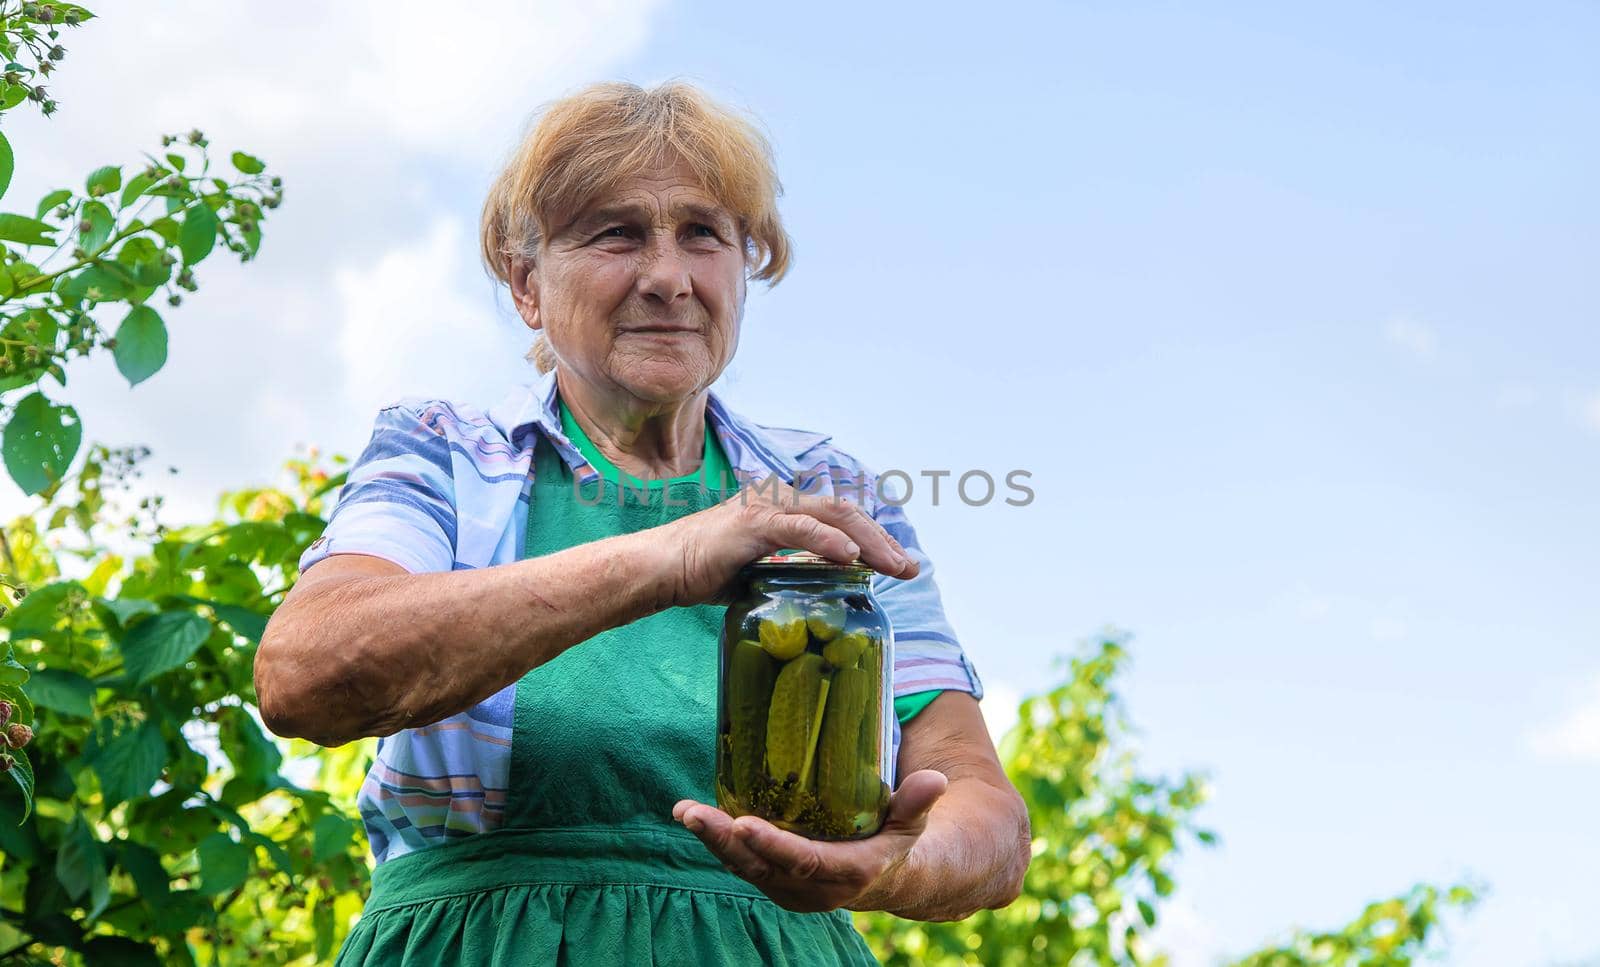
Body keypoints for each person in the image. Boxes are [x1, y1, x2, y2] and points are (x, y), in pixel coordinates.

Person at [256, 80, 1029, 965]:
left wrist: (882, 868)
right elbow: (305, 673)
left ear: (745, 267)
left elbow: (986, 814)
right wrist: (671, 554)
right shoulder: (444, 454)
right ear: (527, 285)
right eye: (615, 232)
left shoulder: (826, 488)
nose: (668, 277)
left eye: (704, 233)